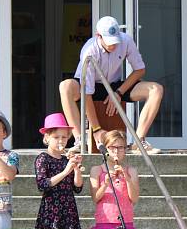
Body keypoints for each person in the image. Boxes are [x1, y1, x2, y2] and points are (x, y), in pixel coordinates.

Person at [59, 16, 164, 154]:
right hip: (91, 87)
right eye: (109, 42)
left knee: (156, 89)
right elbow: (86, 92)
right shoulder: (89, 50)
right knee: (66, 86)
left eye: (115, 41)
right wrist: (96, 129)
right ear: (99, 36)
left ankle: (139, 141)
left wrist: (119, 92)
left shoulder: (126, 40)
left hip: (114, 86)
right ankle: (79, 140)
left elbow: (140, 70)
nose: (113, 46)